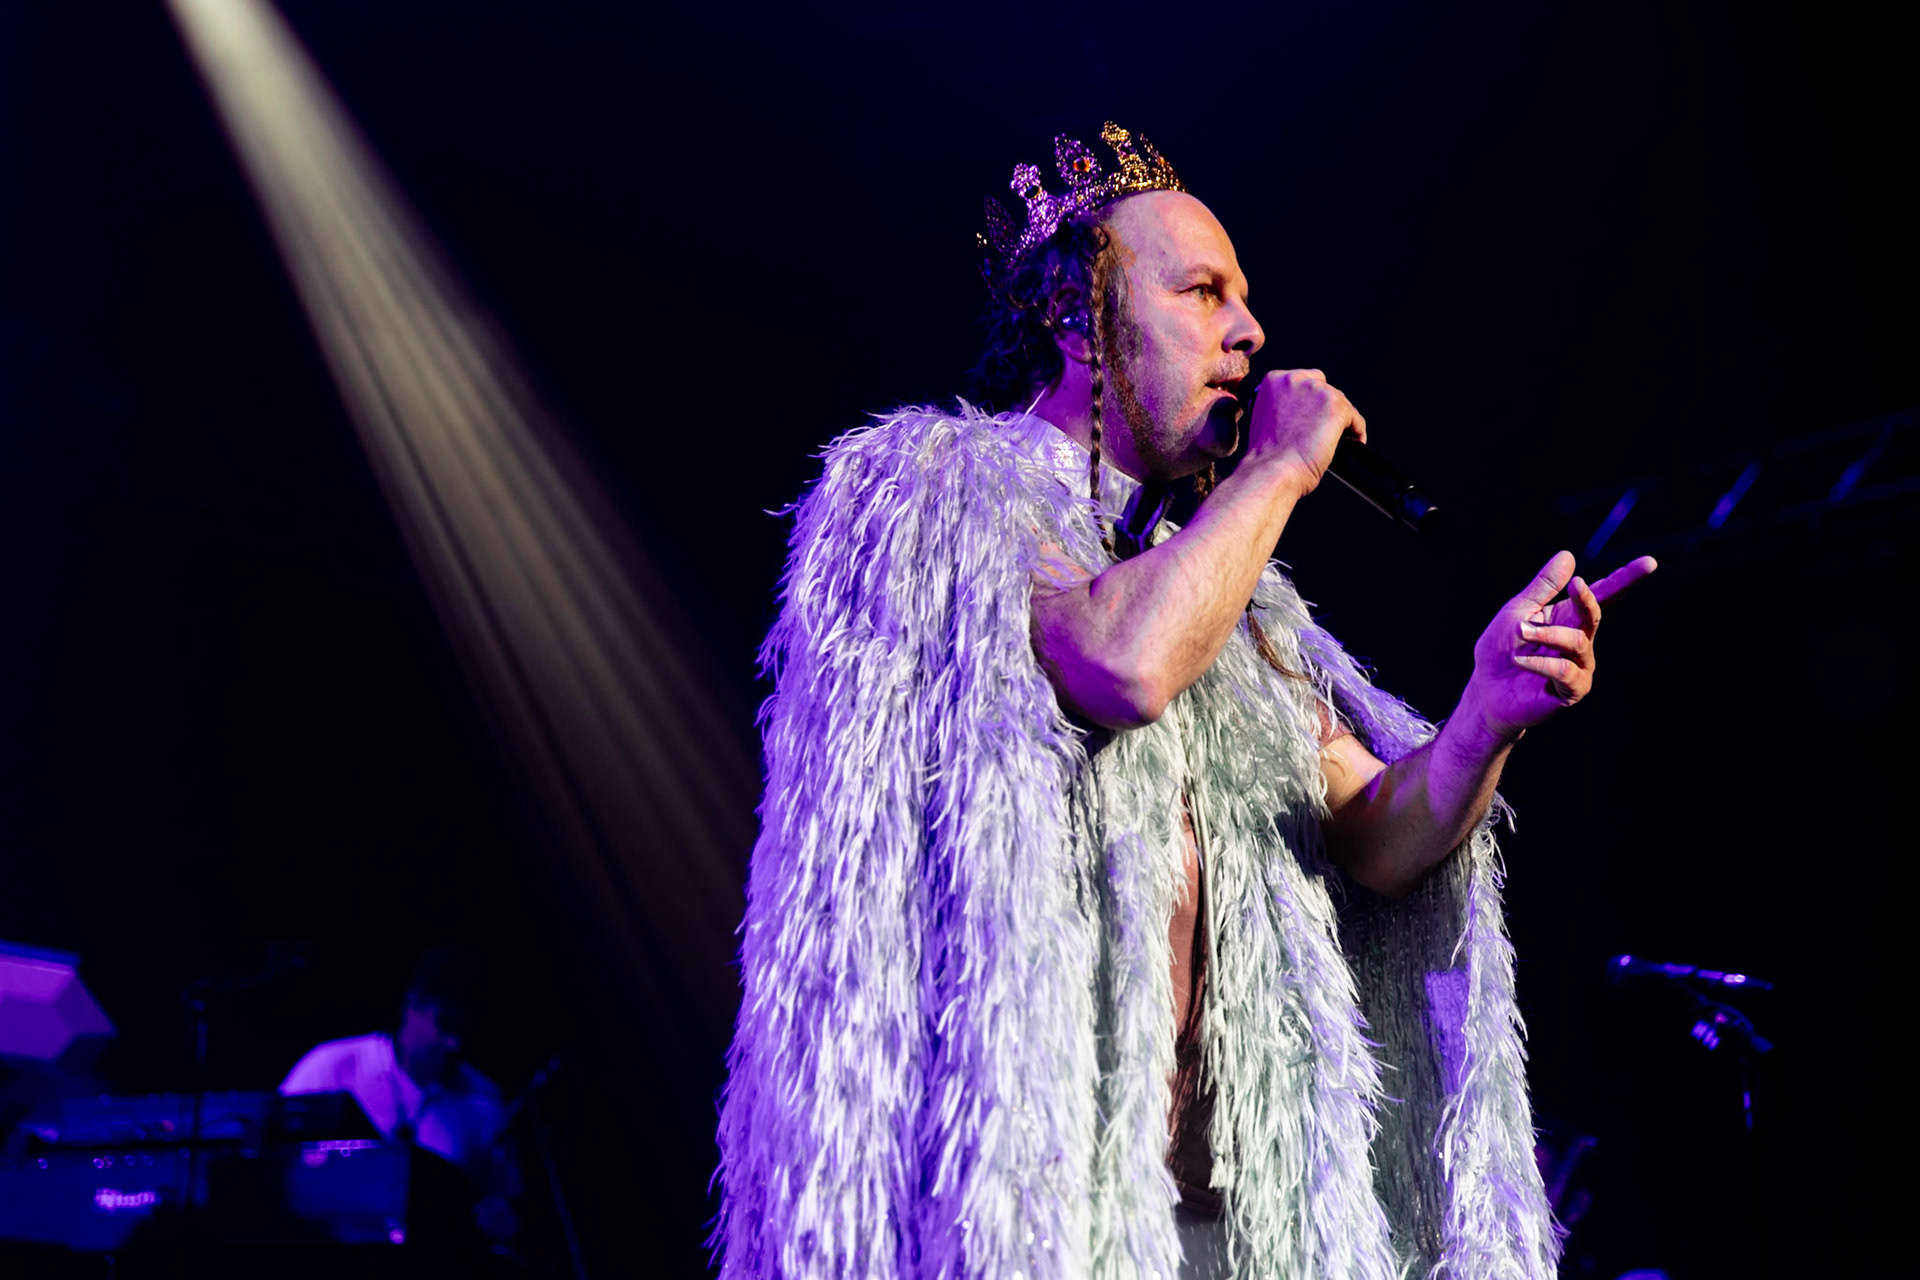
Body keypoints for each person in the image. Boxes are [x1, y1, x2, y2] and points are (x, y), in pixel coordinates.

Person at [714, 122, 1655, 1279]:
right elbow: (1120, 666)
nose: (1250, 333)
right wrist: (1276, 470)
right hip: (1027, 1220)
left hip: (1225, 1231)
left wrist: (1484, 715)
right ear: (1077, 316)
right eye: (1204, 291)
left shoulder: (1229, 595)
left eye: (1245, 298)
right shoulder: (943, 497)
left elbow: (1372, 830)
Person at [281, 949, 518, 1239]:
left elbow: (502, 1202)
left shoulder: (485, 1101)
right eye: (445, 1024)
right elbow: (274, 1165)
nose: (453, 1043)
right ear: (412, 1003)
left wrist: (498, 1216)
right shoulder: (332, 1067)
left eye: (463, 1029)